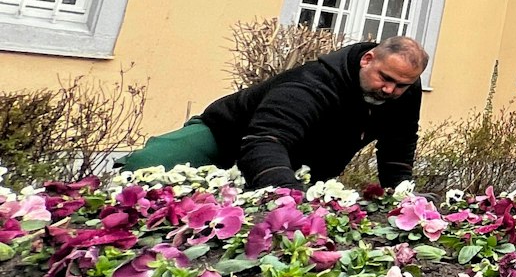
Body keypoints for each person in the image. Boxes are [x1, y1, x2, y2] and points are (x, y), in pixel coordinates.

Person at [121, 37, 428, 190]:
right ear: (367, 59)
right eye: (385, 79)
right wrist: (284, 192)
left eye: (401, 85)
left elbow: (398, 145)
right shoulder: (310, 86)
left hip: (299, 161)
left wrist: (399, 192)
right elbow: (265, 142)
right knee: (142, 169)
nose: (390, 90)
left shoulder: (405, 92)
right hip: (225, 137)